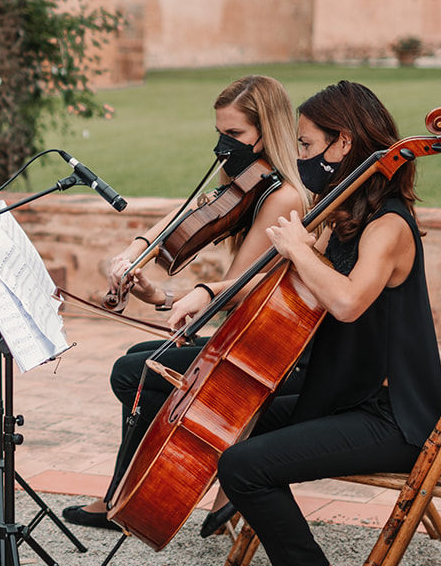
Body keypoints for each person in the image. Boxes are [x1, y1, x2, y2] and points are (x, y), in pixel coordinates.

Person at [215, 80, 441, 566]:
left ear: (342, 145)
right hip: (349, 394)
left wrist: (300, 250)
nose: (298, 157)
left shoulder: (388, 226)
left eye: (306, 143)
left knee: (246, 465)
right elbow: (292, 294)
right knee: (235, 428)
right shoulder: (344, 216)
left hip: (394, 416)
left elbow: (345, 302)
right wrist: (208, 292)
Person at [61, 75, 308, 532]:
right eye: (220, 132)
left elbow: (239, 290)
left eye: (234, 135)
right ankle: (129, 493)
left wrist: (178, 295)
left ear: (266, 132)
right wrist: (135, 259)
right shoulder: (247, 182)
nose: (223, 145)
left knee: (135, 370)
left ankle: (147, 491)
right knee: (139, 360)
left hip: (275, 351)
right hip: (248, 332)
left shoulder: (283, 196)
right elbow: (180, 218)